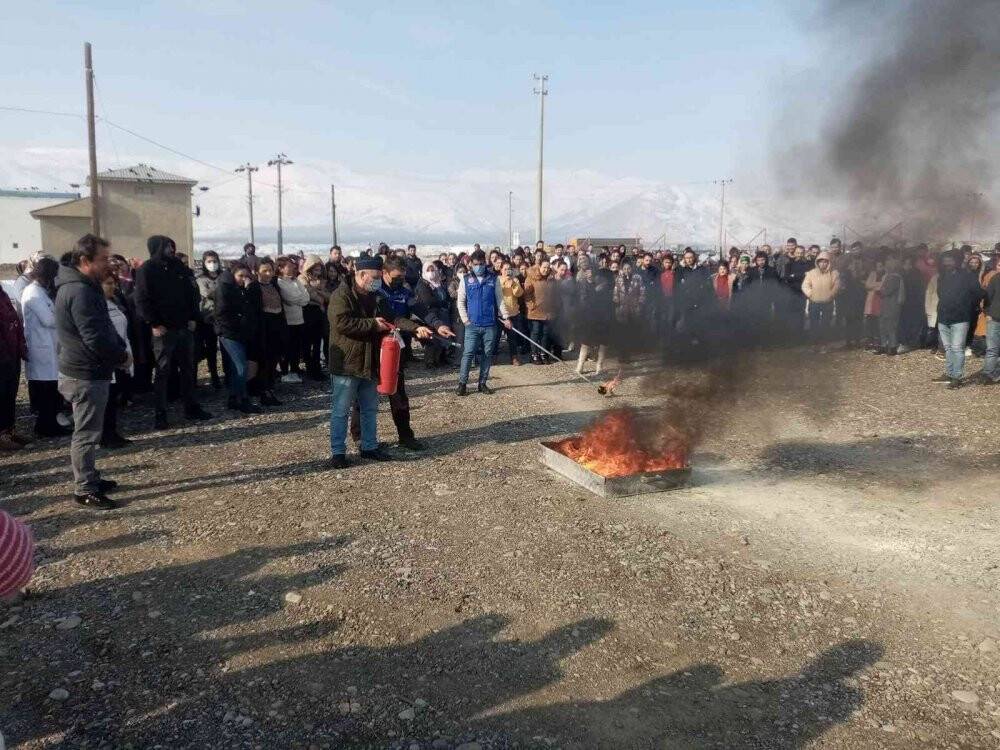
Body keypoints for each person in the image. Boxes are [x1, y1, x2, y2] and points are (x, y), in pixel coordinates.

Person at [327, 256, 433, 468]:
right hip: (347, 363)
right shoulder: (341, 295)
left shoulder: (377, 296)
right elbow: (342, 323)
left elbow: (393, 319)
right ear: (361, 274)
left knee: (370, 408)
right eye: (374, 277)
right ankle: (338, 452)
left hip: (371, 361)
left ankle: (369, 446)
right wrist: (372, 325)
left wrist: (414, 328)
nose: (377, 281)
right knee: (341, 410)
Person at [54, 234, 130, 509]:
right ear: (85, 261)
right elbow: (94, 336)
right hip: (84, 372)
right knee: (86, 433)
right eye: (102, 259)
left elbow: (103, 327)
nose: (108, 264)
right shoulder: (79, 291)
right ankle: (84, 488)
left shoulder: (85, 286)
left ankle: (91, 477)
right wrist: (120, 356)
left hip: (88, 368)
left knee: (90, 430)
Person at [134, 235, 211, 430]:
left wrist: (194, 317)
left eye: (172, 245)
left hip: (184, 326)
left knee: (188, 368)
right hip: (163, 329)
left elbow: (192, 293)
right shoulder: (147, 269)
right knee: (163, 372)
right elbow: (142, 299)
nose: (171, 249)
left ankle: (191, 407)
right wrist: (153, 323)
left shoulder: (179, 267)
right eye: (166, 246)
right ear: (156, 248)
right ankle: (161, 413)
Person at [21, 257, 69, 438]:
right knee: (46, 390)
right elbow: (48, 319)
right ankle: (45, 427)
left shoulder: (41, 292)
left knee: (52, 389)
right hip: (41, 349)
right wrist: (62, 312)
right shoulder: (32, 293)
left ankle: (49, 424)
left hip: (49, 347)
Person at [456, 249, 512, 394]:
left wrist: (505, 317)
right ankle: (462, 383)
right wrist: (465, 320)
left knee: (487, 354)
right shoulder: (466, 279)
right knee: (468, 353)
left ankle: (482, 383)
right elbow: (460, 302)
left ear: (485, 263)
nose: (479, 266)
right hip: (472, 325)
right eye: (475, 264)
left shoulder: (493, 279)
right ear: (471, 264)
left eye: (481, 264)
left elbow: (499, 300)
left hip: (489, 325)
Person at [214, 262, 263, 414]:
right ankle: (242, 399)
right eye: (240, 276)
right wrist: (239, 325)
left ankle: (235, 398)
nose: (243, 279)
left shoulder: (239, 288)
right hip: (230, 334)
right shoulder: (224, 288)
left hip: (240, 333)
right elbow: (222, 313)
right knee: (240, 367)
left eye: (245, 276)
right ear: (233, 274)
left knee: (238, 368)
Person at [933, 250, 984, 389]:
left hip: (960, 318)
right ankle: (949, 373)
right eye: (945, 260)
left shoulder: (968, 276)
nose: (947, 263)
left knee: (957, 348)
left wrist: (966, 305)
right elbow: (940, 293)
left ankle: (957, 377)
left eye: (950, 260)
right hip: (944, 317)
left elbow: (979, 293)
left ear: (958, 260)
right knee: (948, 348)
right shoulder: (942, 276)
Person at [100, 271, 134, 448]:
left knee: (113, 398)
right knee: (106, 400)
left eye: (113, 283)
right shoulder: (97, 306)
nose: (112, 286)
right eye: (108, 283)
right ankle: (105, 435)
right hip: (109, 358)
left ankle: (112, 432)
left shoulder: (113, 302)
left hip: (121, 355)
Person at [249, 258, 285, 406]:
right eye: (264, 271)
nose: (268, 273)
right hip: (263, 329)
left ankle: (269, 388)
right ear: (257, 272)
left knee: (273, 360)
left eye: (270, 270)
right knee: (263, 361)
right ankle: (263, 391)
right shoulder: (254, 287)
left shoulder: (274, 285)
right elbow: (254, 311)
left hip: (276, 327)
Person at [0, 281, 29, 452]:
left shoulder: (2, 293)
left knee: (10, 393)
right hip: (2, 356)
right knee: (1, 395)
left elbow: (13, 319)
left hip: (12, 353)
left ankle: (9, 431)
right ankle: (2, 435)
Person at [276, 256, 310, 383]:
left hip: (299, 319)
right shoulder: (279, 282)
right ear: (281, 268)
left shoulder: (296, 281)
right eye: (289, 266)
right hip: (288, 320)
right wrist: (300, 299)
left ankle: (295, 370)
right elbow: (289, 298)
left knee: (296, 347)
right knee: (286, 347)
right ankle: (284, 371)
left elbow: (306, 297)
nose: (292, 268)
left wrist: (299, 299)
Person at [414, 261, 453, 369]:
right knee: (433, 338)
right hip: (430, 314)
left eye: (433, 270)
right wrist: (440, 303)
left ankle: (441, 358)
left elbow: (445, 296)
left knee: (444, 337)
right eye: (428, 270)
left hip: (442, 313)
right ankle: (430, 361)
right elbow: (427, 301)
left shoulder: (438, 282)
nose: (431, 273)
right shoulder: (422, 283)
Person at [195, 250, 223, 389]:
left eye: (215, 261)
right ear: (204, 263)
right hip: (208, 317)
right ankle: (214, 376)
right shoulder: (201, 279)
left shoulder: (223, 276)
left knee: (225, 348)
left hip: (223, 316)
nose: (212, 264)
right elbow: (206, 294)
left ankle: (228, 374)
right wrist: (222, 293)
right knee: (211, 348)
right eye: (209, 261)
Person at [299, 255, 330, 381]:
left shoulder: (321, 280)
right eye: (315, 269)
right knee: (307, 343)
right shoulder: (302, 278)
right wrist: (319, 296)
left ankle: (316, 369)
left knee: (317, 343)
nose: (318, 272)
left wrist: (318, 293)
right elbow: (309, 294)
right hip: (307, 312)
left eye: (319, 269)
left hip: (319, 313)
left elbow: (329, 296)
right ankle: (310, 368)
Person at [801, 251, 841, 344]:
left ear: (829, 262)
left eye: (825, 261)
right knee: (814, 324)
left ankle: (824, 344)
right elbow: (805, 286)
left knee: (825, 324)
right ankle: (814, 344)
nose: (823, 264)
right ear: (817, 262)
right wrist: (811, 294)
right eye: (821, 261)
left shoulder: (834, 273)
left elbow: (837, 286)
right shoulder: (811, 273)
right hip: (814, 302)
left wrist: (830, 295)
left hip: (827, 303)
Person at [523, 257, 556, 365]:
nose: (546, 269)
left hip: (547, 311)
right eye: (544, 267)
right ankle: (534, 354)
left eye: (547, 267)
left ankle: (543, 353)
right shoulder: (531, 277)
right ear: (539, 267)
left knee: (545, 334)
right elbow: (527, 294)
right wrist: (531, 305)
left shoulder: (551, 278)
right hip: (535, 311)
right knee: (536, 332)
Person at [498, 260, 527, 365]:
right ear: (501, 270)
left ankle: (514, 357)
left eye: (509, 269)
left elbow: (519, 293)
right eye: (505, 269)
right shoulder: (497, 280)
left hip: (513, 313)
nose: (507, 271)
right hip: (500, 314)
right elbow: (497, 293)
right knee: (496, 337)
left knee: (512, 337)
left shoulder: (515, 280)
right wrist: (504, 282)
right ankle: (494, 356)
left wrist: (513, 283)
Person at [876, 255, 905, 355]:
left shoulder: (893, 277)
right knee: (887, 326)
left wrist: (879, 291)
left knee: (889, 326)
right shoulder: (895, 277)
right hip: (889, 305)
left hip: (891, 305)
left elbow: (886, 291)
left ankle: (891, 346)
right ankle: (887, 346)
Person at [979, 262, 1000, 384]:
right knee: (992, 348)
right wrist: (988, 313)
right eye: (999, 265)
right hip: (994, 318)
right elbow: (987, 297)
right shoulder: (995, 278)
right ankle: (987, 373)